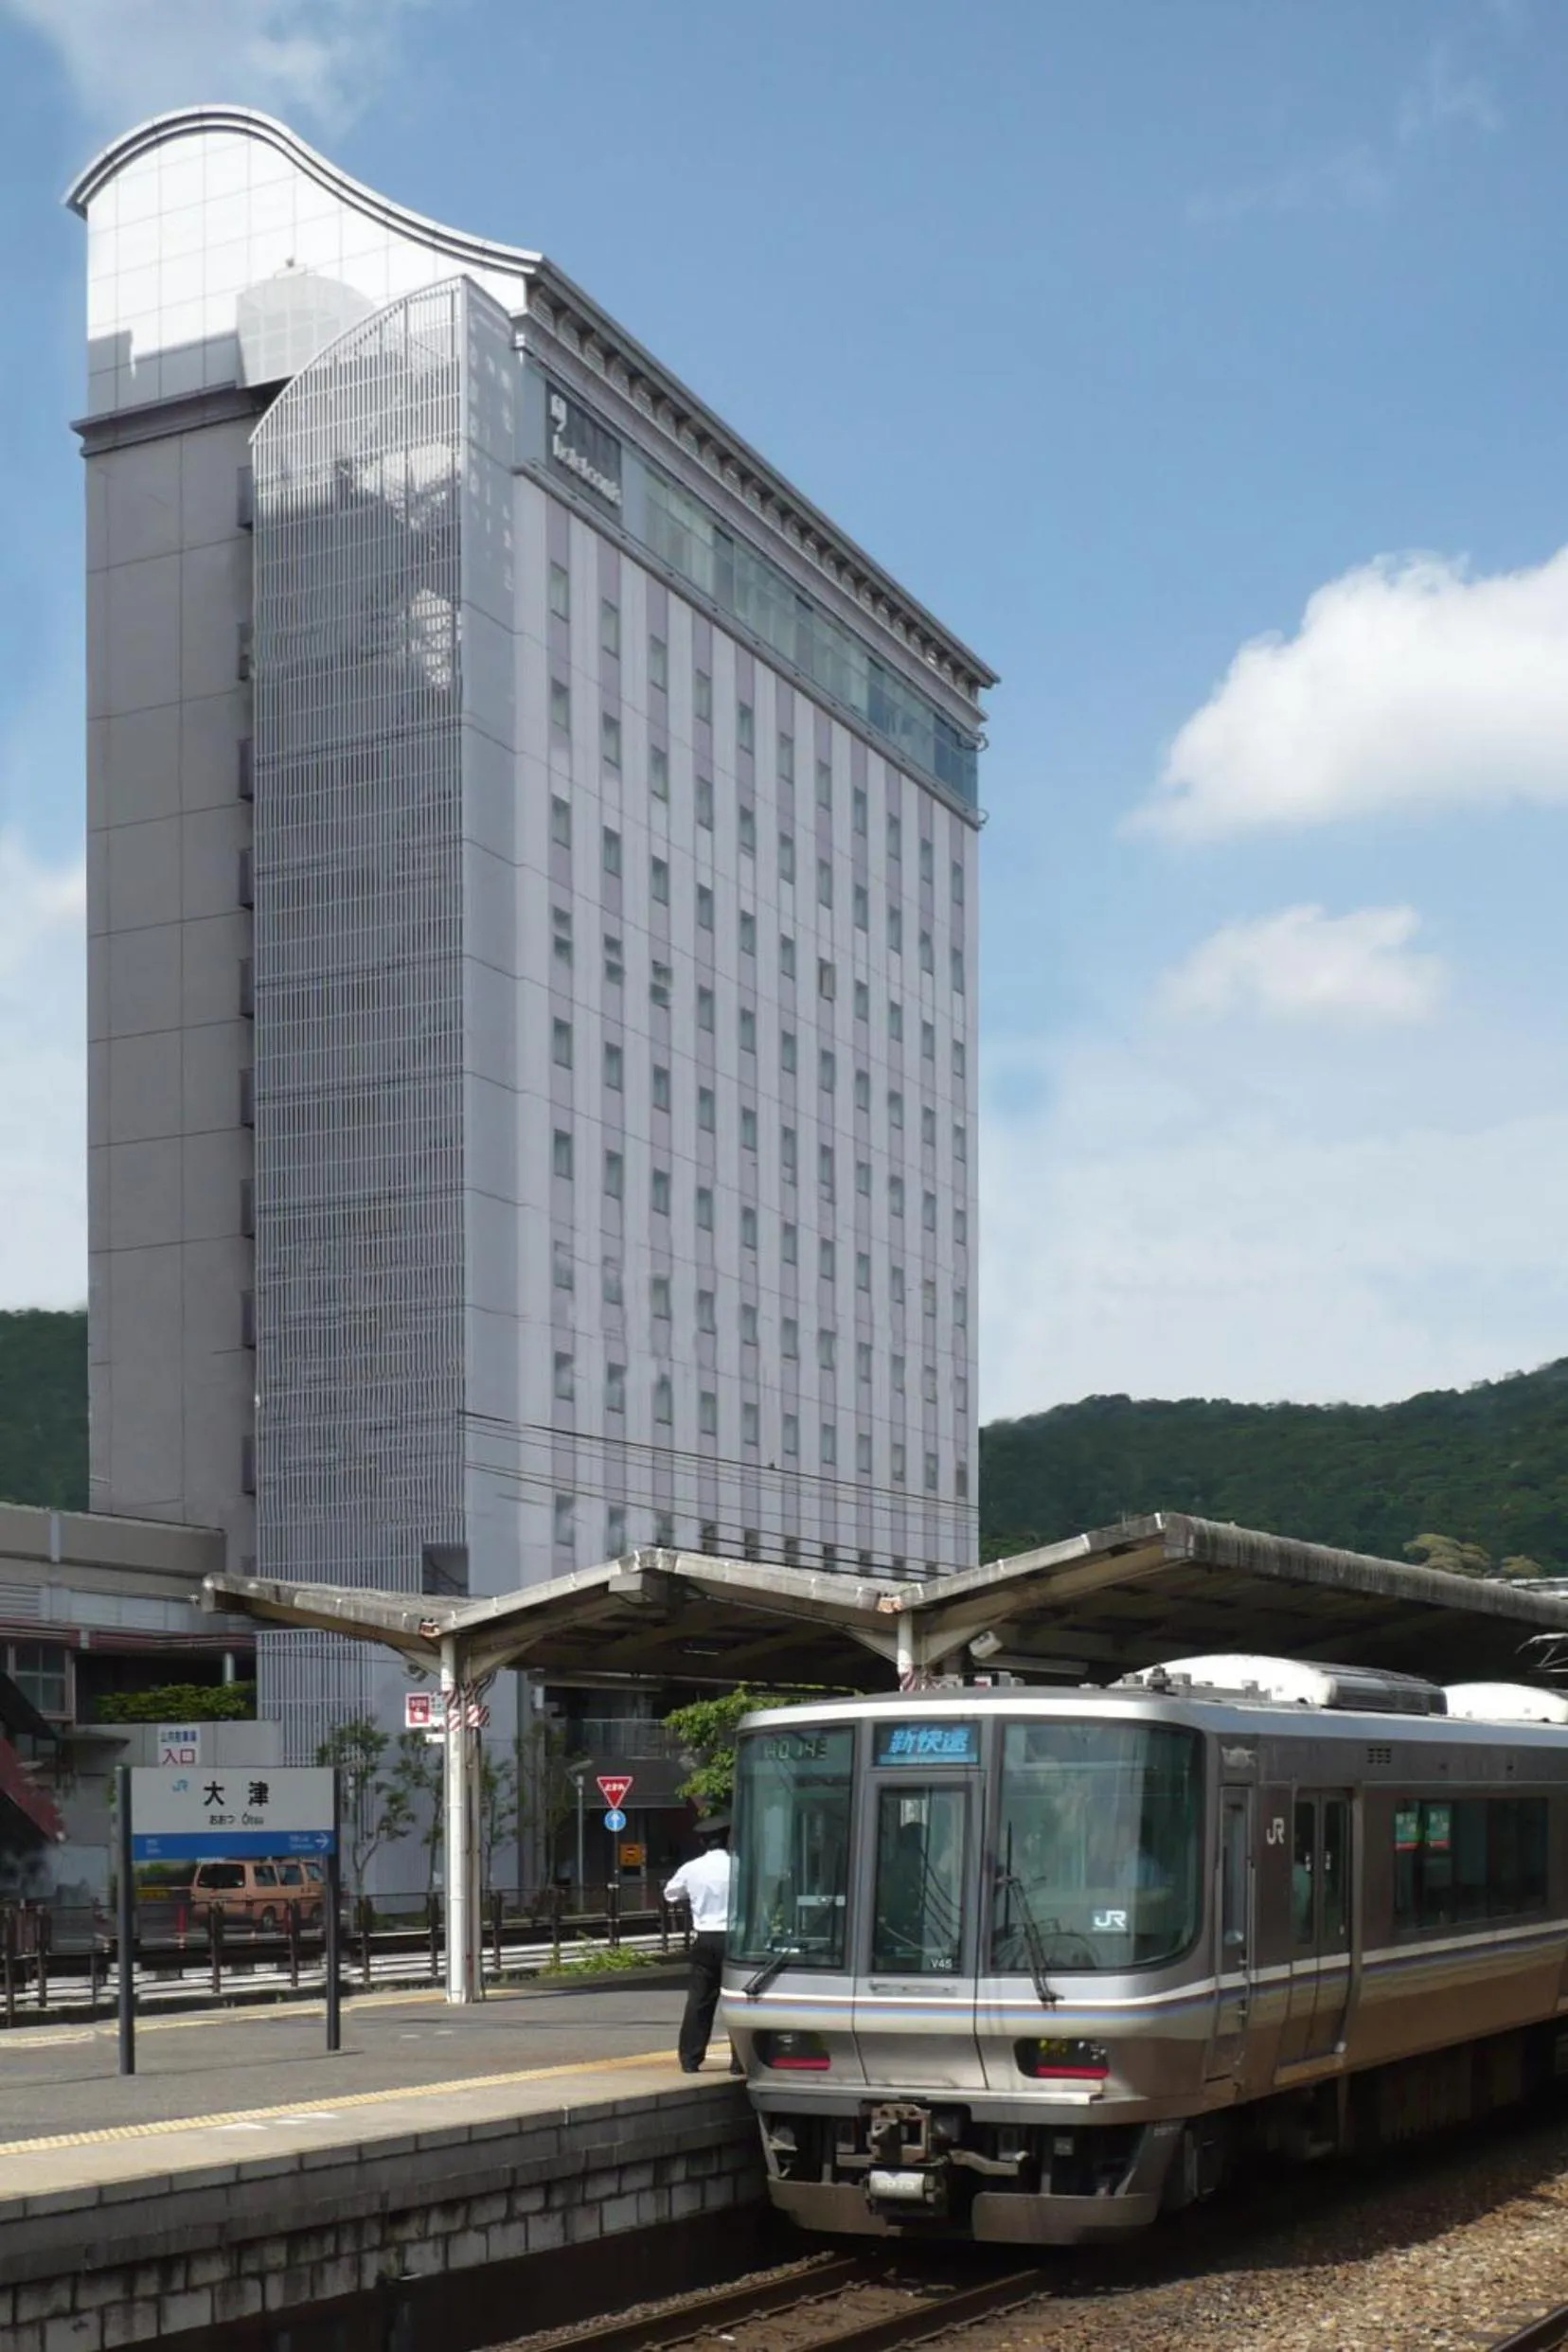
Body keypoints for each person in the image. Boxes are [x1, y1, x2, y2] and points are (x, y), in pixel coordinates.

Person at [664, 1814, 737, 2074]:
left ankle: (690, 2059)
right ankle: (739, 2061)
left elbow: (670, 1893)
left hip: (705, 1938)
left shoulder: (692, 1868)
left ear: (703, 1841)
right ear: (727, 1839)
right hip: (734, 1940)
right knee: (736, 2000)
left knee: (699, 2000)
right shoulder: (739, 1866)